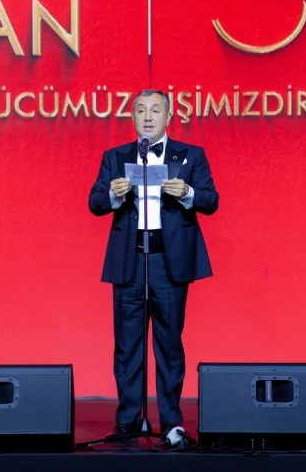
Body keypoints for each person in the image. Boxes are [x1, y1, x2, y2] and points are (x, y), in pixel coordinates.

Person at [88, 89, 219, 449]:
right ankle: (128, 420)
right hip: (130, 260)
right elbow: (95, 202)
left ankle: (171, 422)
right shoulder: (115, 157)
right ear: (132, 117)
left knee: (169, 344)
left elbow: (211, 200)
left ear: (168, 117)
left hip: (167, 261)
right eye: (141, 111)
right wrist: (113, 194)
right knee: (127, 345)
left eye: (155, 111)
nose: (148, 117)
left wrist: (187, 192)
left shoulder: (190, 155)